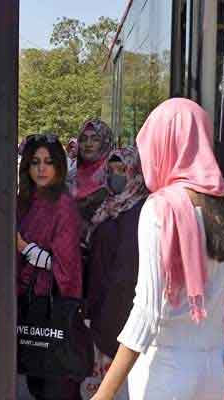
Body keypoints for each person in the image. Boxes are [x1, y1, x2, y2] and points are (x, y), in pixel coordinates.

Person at [91, 98, 224, 400]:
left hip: (164, 370)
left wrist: (103, 394)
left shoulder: (161, 208)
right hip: (216, 368)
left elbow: (146, 313)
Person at [16, 133, 83, 400]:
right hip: (28, 302)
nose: (41, 168)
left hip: (51, 305)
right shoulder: (26, 201)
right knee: (35, 380)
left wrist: (25, 249)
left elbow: (65, 268)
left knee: (53, 386)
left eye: (48, 162)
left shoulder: (62, 206)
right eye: (35, 162)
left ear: (59, 166)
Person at [82, 146, 148, 399]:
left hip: (118, 319)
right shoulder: (109, 206)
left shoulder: (139, 213)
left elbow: (124, 275)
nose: (115, 176)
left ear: (135, 172)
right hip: (103, 312)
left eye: (122, 170)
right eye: (110, 171)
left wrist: (103, 322)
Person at [68, 118, 114, 223]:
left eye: (95, 139)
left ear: (105, 142)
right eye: (83, 139)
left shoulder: (114, 175)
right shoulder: (71, 175)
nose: (88, 144)